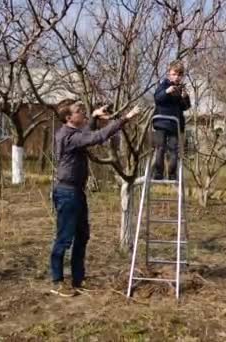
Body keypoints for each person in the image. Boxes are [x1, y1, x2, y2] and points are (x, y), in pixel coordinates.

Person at [50, 100, 140, 297]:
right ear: (68, 118)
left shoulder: (72, 132)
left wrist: (94, 116)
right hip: (67, 193)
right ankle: (57, 281)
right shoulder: (67, 137)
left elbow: (86, 134)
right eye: (78, 111)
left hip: (76, 192)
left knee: (82, 236)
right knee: (64, 238)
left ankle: (77, 279)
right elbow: (96, 137)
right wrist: (125, 119)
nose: (82, 112)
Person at [152, 61, 191, 180]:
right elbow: (157, 98)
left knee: (174, 150)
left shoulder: (181, 89)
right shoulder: (163, 85)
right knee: (160, 148)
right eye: (174, 74)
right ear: (169, 74)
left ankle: (172, 173)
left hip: (175, 125)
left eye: (179, 75)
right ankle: (158, 172)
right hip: (161, 123)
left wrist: (185, 97)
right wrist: (167, 91)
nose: (176, 77)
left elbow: (185, 106)